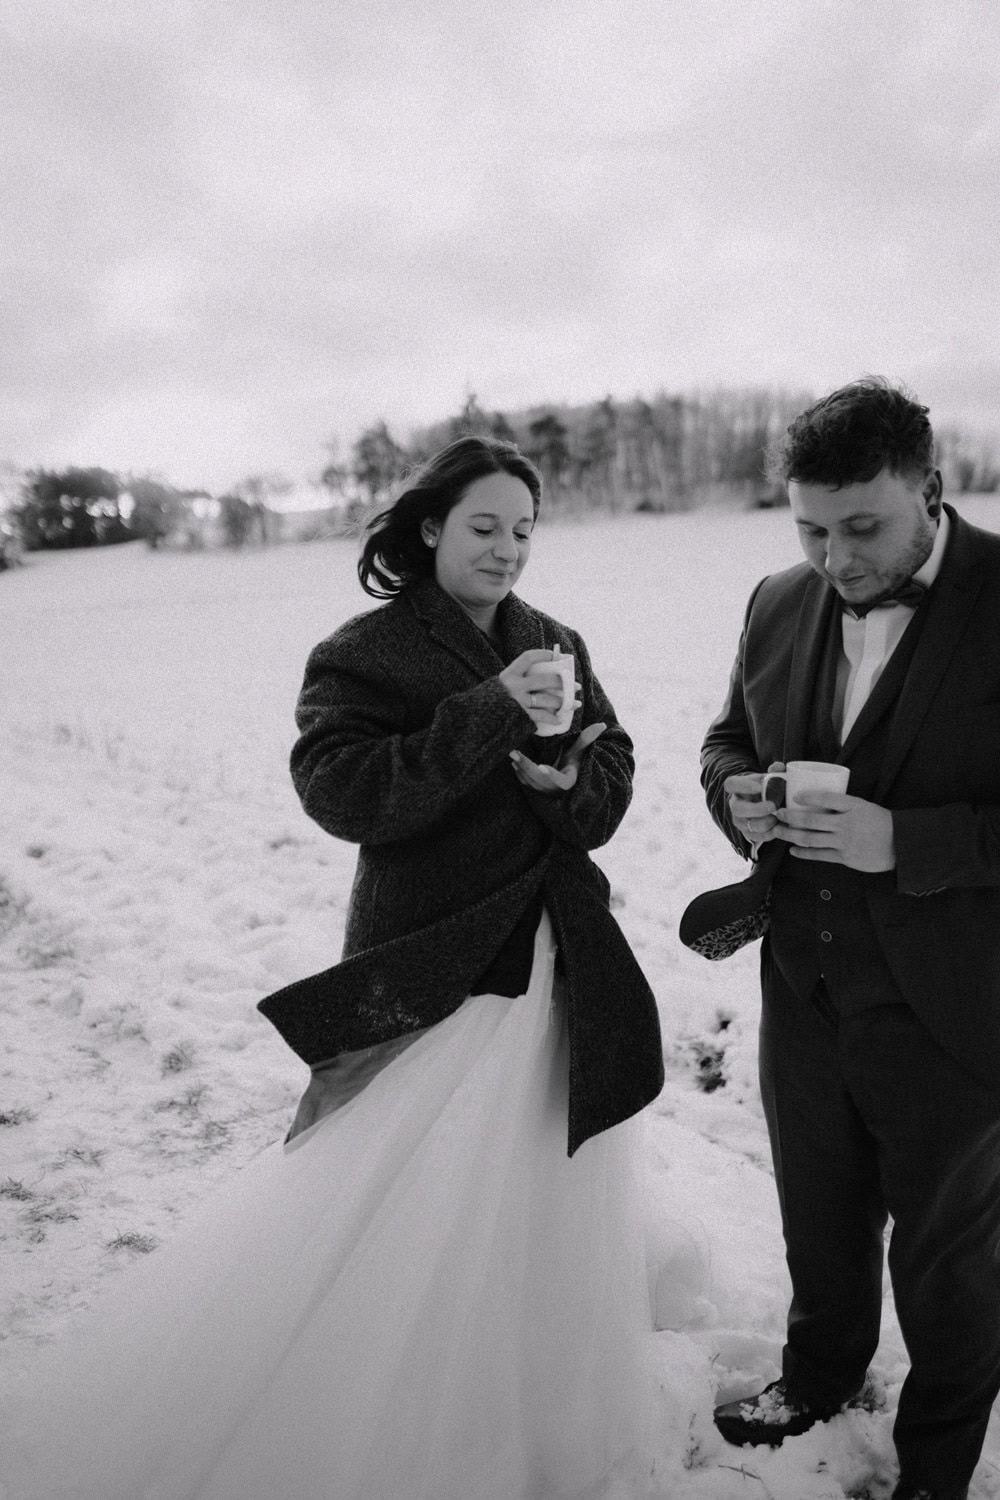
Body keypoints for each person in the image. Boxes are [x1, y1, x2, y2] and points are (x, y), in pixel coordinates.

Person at [0, 436, 664, 1500]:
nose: (508, 550)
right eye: (485, 527)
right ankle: (370, 1397)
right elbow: (344, 794)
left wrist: (562, 777)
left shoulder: (556, 638)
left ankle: (520, 1384)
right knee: (403, 1186)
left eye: (524, 530)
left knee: (534, 1180)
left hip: (554, 953)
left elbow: (609, 781)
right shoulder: (365, 651)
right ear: (432, 526)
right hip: (430, 955)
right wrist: (491, 707)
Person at [696, 378, 1000, 1500]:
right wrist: (735, 795)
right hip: (803, 987)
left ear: (930, 485)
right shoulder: (776, 598)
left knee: (948, 1265)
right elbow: (725, 738)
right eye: (810, 530)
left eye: (859, 527)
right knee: (817, 1223)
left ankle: (936, 1463)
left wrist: (903, 842)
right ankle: (816, 1378)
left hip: (956, 1005)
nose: (832, 558)